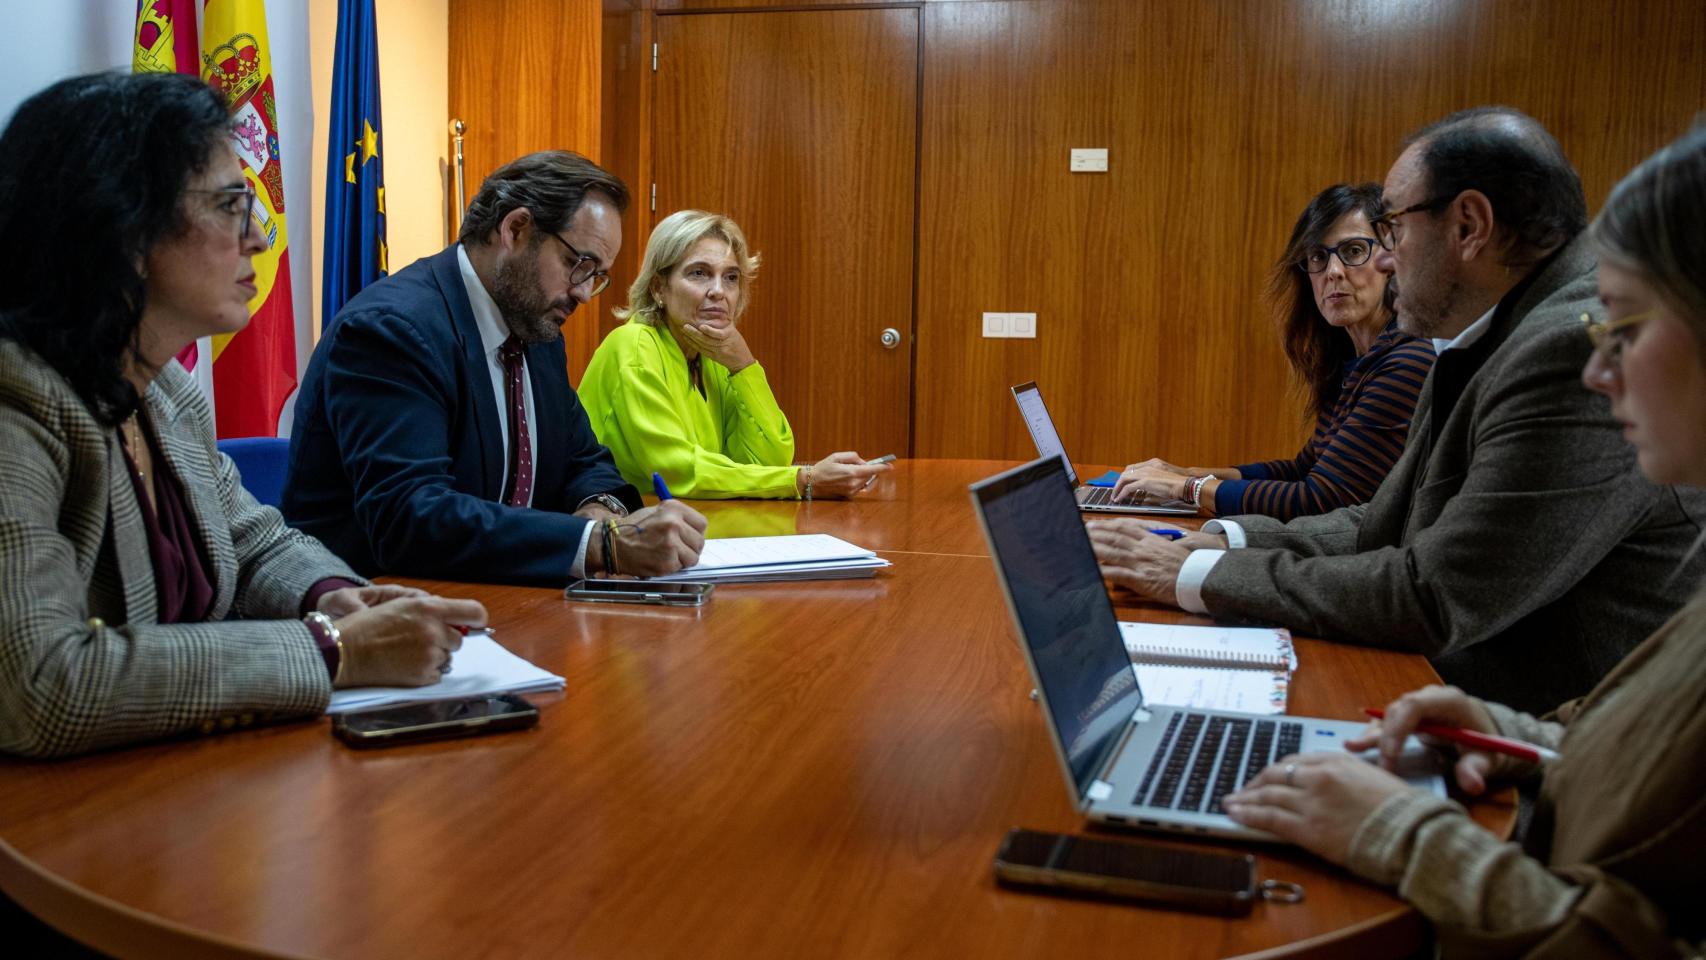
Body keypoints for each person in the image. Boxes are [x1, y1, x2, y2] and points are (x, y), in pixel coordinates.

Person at [1224, 125, 1706, 959]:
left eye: (1625, 325)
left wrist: (1405, 835)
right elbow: (1645, 739)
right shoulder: (1473, 345)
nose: (1601, 369)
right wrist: (1506, 735)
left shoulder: (1541, 346)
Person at [1090, 107, 1706, 714]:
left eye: (1390, 231)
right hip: (1471, 707)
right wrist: (1219, 541)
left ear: (1469, 225)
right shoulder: (1485, 337)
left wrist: (1198, 574)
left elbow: (1436, 593)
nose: (1383, 261)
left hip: (1540, 740)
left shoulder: (1564, 349)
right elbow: (1384, 522)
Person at [0, 72, 486, 760]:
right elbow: (41, 683)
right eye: (232, 205)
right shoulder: (14, 399)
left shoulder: (164, 389)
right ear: (123, 227)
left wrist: (335, 596)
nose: (260, 238)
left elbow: (254, 540)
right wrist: (332, 649)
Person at [284, 152, 707, 585]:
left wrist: (600, 512)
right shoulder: (393, 331)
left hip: (498, 601)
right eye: (577, 265)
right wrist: (599, 544)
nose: (583, 294)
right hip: (368, 611)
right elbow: (410, 517)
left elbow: (586, 462)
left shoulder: (536, 332)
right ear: (516, 229)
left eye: (597, 276)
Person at [1113, 184, 1436, 519]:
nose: (1333, 271)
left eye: (1354, 251)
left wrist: (1186, 489)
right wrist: (1186, 474)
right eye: (1318, 257)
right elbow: (1304, 468)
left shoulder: (1407, 362)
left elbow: (1319, 500)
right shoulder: (1356, 359)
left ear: (1391, 260)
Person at [579, 210, 891, 499]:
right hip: (622, 526)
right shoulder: (634, 345)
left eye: (731, 277)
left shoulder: (711, 352)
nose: (719, 291)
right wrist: (801, 480)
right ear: (659, 288)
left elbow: (769, 459)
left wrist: (744, 366)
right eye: (699, 273)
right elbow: (676, 473)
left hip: (690, 520)